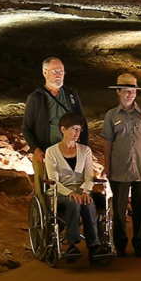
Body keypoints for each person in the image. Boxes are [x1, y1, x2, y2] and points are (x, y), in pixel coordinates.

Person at [102, 73, 141, 258]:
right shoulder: (111, 115)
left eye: (133, 91)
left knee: (140, 207)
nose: (130, 94)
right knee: (119, 209)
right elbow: (107, 141)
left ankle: (139, 244)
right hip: (120, 167)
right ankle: (120, 245)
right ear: (118, 92)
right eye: (127, 91)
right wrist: (107, 165)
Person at [45, 112, 109, 263]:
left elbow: (88, 175)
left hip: (81, 190)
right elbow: (54, 180)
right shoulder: (52, 152)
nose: (77, 133)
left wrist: (86, 191)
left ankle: (94, 245)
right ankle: (72, 243)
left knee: (88, 202)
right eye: (73, 129)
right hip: (59, 191)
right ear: (63, 130)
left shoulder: (84, 150)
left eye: (79, 129)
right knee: (74, 202)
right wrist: (70, 193)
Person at [23, 57, 88, 187]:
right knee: (45, 189)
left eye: (61, 72)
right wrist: (36, 150)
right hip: (46, 152)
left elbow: (82, 123)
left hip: (71, 152)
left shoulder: (71, 95)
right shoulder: (36, 98)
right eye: (55, 72)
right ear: (45, 72)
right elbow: (27, 128)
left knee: (72, 187)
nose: (59, 75)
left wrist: (85, 148)